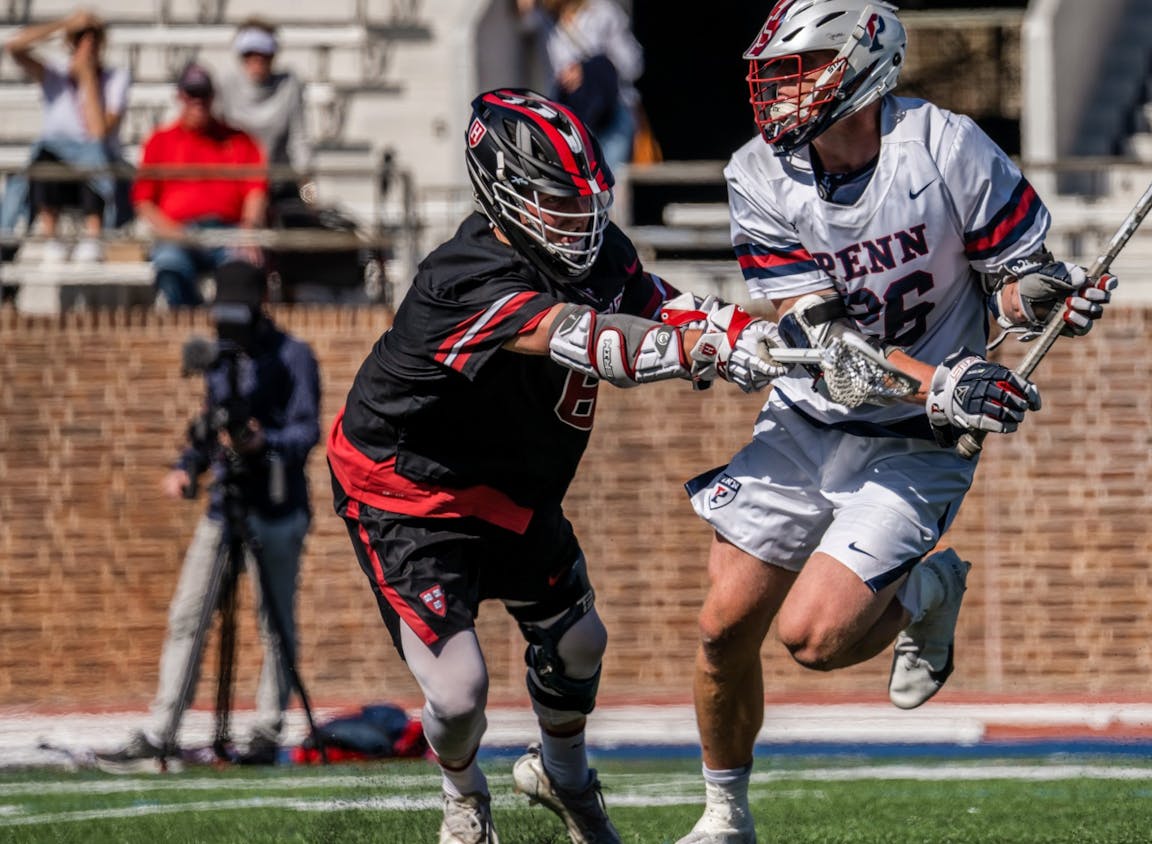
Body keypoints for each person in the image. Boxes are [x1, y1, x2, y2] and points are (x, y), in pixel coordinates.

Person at [675, 2, 1117, 841]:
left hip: (916, 442)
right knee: (721, 628)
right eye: (776, 75)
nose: (780, 92)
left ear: (863, 65)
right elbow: (824, 342)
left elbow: (1011, 288)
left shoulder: (946, 146)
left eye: (802, 70)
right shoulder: (758, 172)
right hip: (810, 416)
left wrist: (1047, 297)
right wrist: (943, 382)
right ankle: (724, 815)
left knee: (814, 638)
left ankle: (926, 591)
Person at [327, 88, 782, 844]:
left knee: (580, 643)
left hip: (512, 486)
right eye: (557, 201)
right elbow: (580, 337)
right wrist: (693, 351)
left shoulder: (599, 251)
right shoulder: (464, 274)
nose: (580, 220)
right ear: (503, 193)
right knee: (460, 692)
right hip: (410, 492)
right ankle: (463, 795)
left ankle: (565, 778)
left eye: (585, 200)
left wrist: (744, 331)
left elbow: (664, 305)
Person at [97, 260, 322, 773]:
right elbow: (212, 423)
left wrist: (264, 442)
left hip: (277, 509)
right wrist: (187, 466)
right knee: (187, 616)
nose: (229, 324)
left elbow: (307, 432)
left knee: (275, 623)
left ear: (261, 304)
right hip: (224, 505)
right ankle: (162, 732)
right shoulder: (219, 355)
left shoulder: (294, 356)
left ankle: (266, 731)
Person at [1, 8, 131, 264]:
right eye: (80, 37)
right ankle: (52, 239)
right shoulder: (54, 73)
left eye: (93, 37)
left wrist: (87, 78)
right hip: (58, 166)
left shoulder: (115, 78)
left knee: (93, 154)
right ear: (71, 41)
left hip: (98, 168)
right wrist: (64, 24)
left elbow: (97, 133)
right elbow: (13, 47)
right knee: (44, 158)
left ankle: (93, 236)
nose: (88, 44)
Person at [132, 63, 267, 308]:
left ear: (212, 97)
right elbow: (143, 201)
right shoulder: (160, 141)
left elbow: (256, 191)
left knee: (242, 267)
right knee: (169, 267)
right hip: (178, 232)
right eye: (192, 93)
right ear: (180, 96)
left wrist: (249, 231)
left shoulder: (239, 140)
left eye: (203, 94)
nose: (198, 101)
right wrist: (173, 232)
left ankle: (229, 327)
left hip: (228, 231)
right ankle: (189, 322)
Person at [516, 0, 642, 169]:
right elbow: (524, 25)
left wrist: (589, 70)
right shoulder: (544, 19)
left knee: (608, 180)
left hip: (611, 116)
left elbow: (632, 66)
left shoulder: (603, 12)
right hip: (567, 119)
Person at [215, 17, 310, 204]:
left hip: (279, 184)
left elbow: (299, 139)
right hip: (237, 186)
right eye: (249, 53)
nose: (257, 59)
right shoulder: (226, 84)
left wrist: (308, 192)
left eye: (264, 53)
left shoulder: (289, 85)